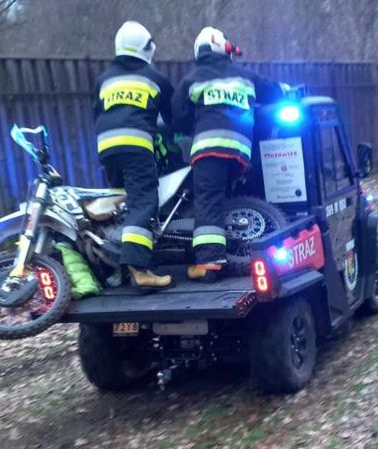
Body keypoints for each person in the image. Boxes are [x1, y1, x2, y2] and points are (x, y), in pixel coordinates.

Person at [172, 27, 282, 281]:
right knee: (221, 198)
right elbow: (273, 91)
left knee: (208, 201)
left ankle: (209, 264)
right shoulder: (245, 76)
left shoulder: (193, 79)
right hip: (240, 153)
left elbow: (178, 117)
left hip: (209, 151)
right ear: (225, 50)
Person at [93, 21, 175, 290]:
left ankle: (115, 268)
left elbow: (97, 113)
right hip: (137, 146)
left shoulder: (104, 79)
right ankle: (139, 269)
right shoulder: (154, 78)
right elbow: (174, 119)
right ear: (147, 47)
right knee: (143, 202)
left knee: (118, 206)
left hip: (107, 147)